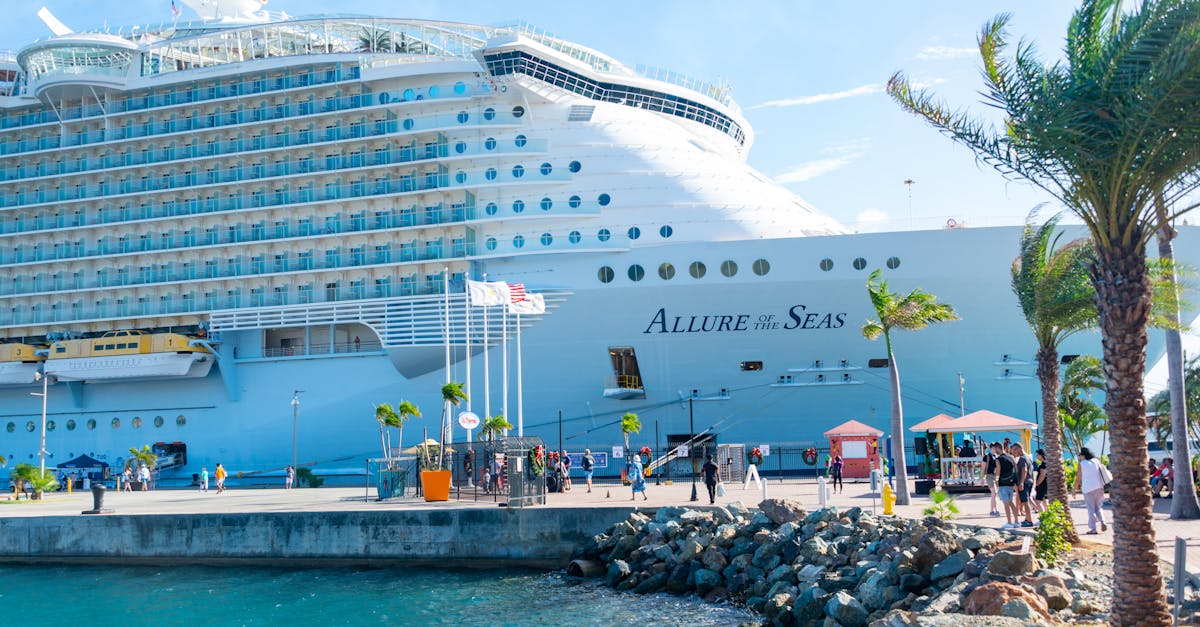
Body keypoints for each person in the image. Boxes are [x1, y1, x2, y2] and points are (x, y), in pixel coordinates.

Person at [1074, 447, 1108, 534]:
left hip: (1088, 489)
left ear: (1083, 455)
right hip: (1099, 487)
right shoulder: (1096, 461)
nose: (1079, 457)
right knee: (1098, 507)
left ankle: (1093, 529)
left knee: (1091, 509)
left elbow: (1078, 477)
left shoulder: (1082, 464)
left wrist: (1075, 489)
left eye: (1080, 455)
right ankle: (1103, 522)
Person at [992, 442, 1019, 529]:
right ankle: (1016, 521)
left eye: (994, 449)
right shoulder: (1011, 457)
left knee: (1006, 503)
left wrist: (996, 481)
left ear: (997, 448)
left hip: (1003, 483)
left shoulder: (998, 459)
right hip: (1011, 482)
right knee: (1011, 502)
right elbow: (1016, 468)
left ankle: (1009, 522)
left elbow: (998, 471)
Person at [1011, 442, 1035, 527]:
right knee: (1025, 500)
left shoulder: (1022, 459)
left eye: (1014, 449)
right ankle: (1027, 518)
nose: (1013, 451)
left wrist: (1021, 482)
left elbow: (1024, 470)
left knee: (1025, 501)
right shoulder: (1028, 457)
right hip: (1030, 480)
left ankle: (1029, 520)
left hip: (1024, 482)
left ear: (1019, 448)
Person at [984, 442, 1000, 516]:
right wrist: (981, 478)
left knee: (995, 493)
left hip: (995, 476)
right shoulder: (986, 456)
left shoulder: (996, 456)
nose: (995, 450)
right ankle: (992, 510)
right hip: (989, 475)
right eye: (993, 448)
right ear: (990, 448)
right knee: (994, 492)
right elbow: (983, 467)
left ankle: (994, 509)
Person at [1032, 449, 1048, 514]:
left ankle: (1042, 517)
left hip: (1042, 485)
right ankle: (1047, 515)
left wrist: (1037, 484)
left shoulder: (1043, 465)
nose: (1036, 457)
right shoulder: (1046, 463)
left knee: (1038, 501)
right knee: (1044, 501)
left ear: (1041, 455)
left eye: (1037, 455)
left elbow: (1042, 475)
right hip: (1045, 484)